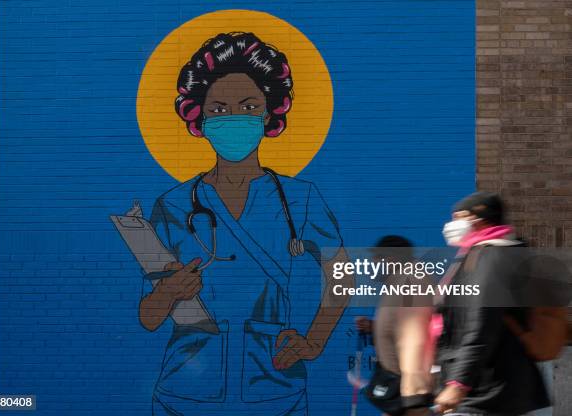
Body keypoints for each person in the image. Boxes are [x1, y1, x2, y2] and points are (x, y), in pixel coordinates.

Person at [138, 32, 350, 415]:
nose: (232, 119)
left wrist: (313, 342)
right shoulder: (171, 205)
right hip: (185, 394)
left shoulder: (300, 200)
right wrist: (168, 292)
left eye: (248, 107)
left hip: (274, 391)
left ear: (269, 113)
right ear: (198, 117)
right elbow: (149, 318)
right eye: (218, 110)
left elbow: (342, 275)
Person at [435, 192, 550, 416]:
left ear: (481, 217)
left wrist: (458, 383)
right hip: (491, 387)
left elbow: (481, 324)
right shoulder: (477, 255)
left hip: (488, 391)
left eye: (460, 217)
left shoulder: (491, 257)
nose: (452, 224)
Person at [356, 235, 435, 416]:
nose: (372, 264)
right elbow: (399, 326)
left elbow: (415, 334)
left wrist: (414, 391)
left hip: (407, 384)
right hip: (398, 382)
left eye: (376, 259)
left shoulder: (412, 281)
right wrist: (373, 327)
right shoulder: (397, 281)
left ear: (391, 259)